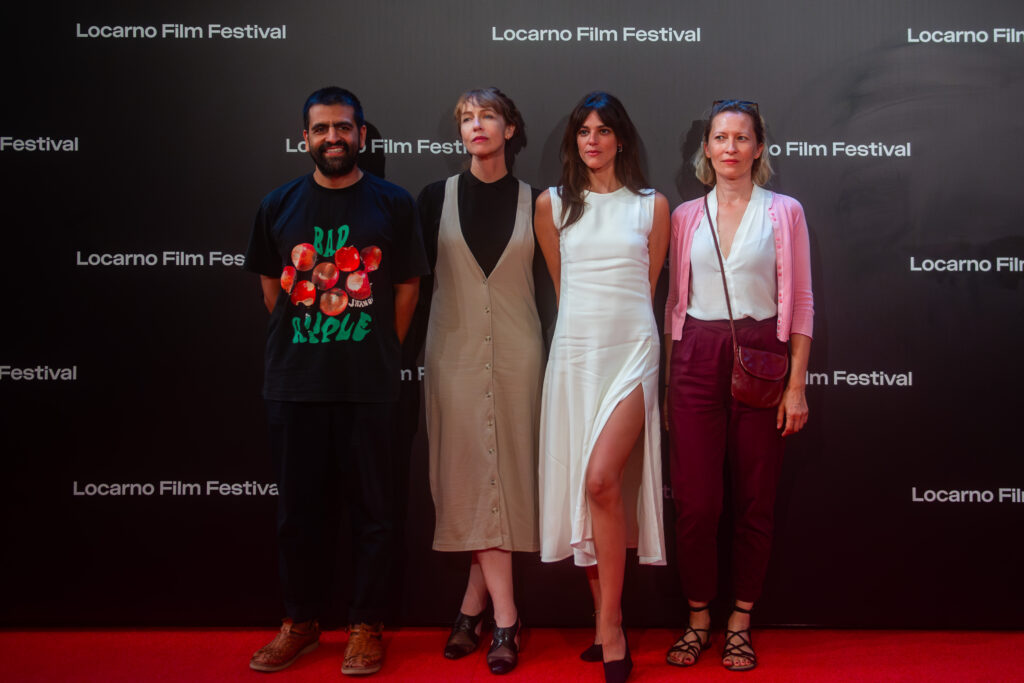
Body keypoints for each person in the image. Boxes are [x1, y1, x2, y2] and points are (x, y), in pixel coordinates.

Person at [243, 86, 429, 676]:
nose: (332, 138)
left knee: (375, 510)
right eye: (321, 129)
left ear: (361, 135)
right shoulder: (277, 204)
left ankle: (366, 625)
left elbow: (406, 288)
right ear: (306, 138)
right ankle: (299, 622)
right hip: (294, 384)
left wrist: (376, 349)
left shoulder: (394, 204)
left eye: (343, 128)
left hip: (369, 386)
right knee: (298, 512)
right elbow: (273, 290)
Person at [663, 99, 813, 672]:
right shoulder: (684, 216)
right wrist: (671, 381)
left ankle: (740, 620)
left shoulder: (785, 212)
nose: (729, 147)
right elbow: (676, 303)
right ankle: (698, 616)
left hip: (763, 356)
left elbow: (799, 302)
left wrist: (796, 386)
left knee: (754, 499)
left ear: (758, 148)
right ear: (706, 148)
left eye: (741, 138)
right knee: (697, 505)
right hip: (695, 356)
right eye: (720, 137)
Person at [535, 91, 669, 683]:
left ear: (621, 138)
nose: (592, 139)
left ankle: (612, 627)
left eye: (603, 129)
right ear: (575, 140)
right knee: (586, 491)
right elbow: (563, 290)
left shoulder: (651, 206)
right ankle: (601, 619)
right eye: (583, 130)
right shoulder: (553, 205)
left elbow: (649, 284)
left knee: (600, 478)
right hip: (575, 356)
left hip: (632, 353)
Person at [417, 87, 544, 675]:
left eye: (487, 115)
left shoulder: (536, 203)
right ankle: (507, 619)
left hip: (521, 358)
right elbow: (409, 288)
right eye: (465, 118)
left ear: (510, 128)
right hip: (454, 359)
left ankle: (473, 607)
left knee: (505, 479)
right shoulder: (431, 200)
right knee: (472, 479)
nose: (476, 126)